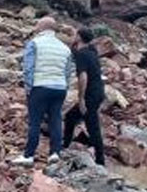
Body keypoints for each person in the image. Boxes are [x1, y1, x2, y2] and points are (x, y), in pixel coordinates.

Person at [12, 15, 74, 166]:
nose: (36, 28)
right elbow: (68, 72)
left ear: (42, 27)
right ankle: (55, 153)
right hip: (59, 88)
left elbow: (28, 68)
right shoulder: (65, 48)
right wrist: (64, 86)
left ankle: (29, 155)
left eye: (37, 25)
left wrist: (28, 88)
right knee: (56, 120)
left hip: (40, 86)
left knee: (35, 121)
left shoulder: (35, 43)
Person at [62, 26, 106, 165]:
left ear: (80, 37)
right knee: (71, 117)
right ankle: (65, 146)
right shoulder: (91, 51)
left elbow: (83, 77)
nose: (73, 36)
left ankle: (100, 161)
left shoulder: (83, 54)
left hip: (90, 94)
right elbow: (72, 51)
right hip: (99, 91)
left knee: (92, 125)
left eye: (76, 34)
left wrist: (81, 99)